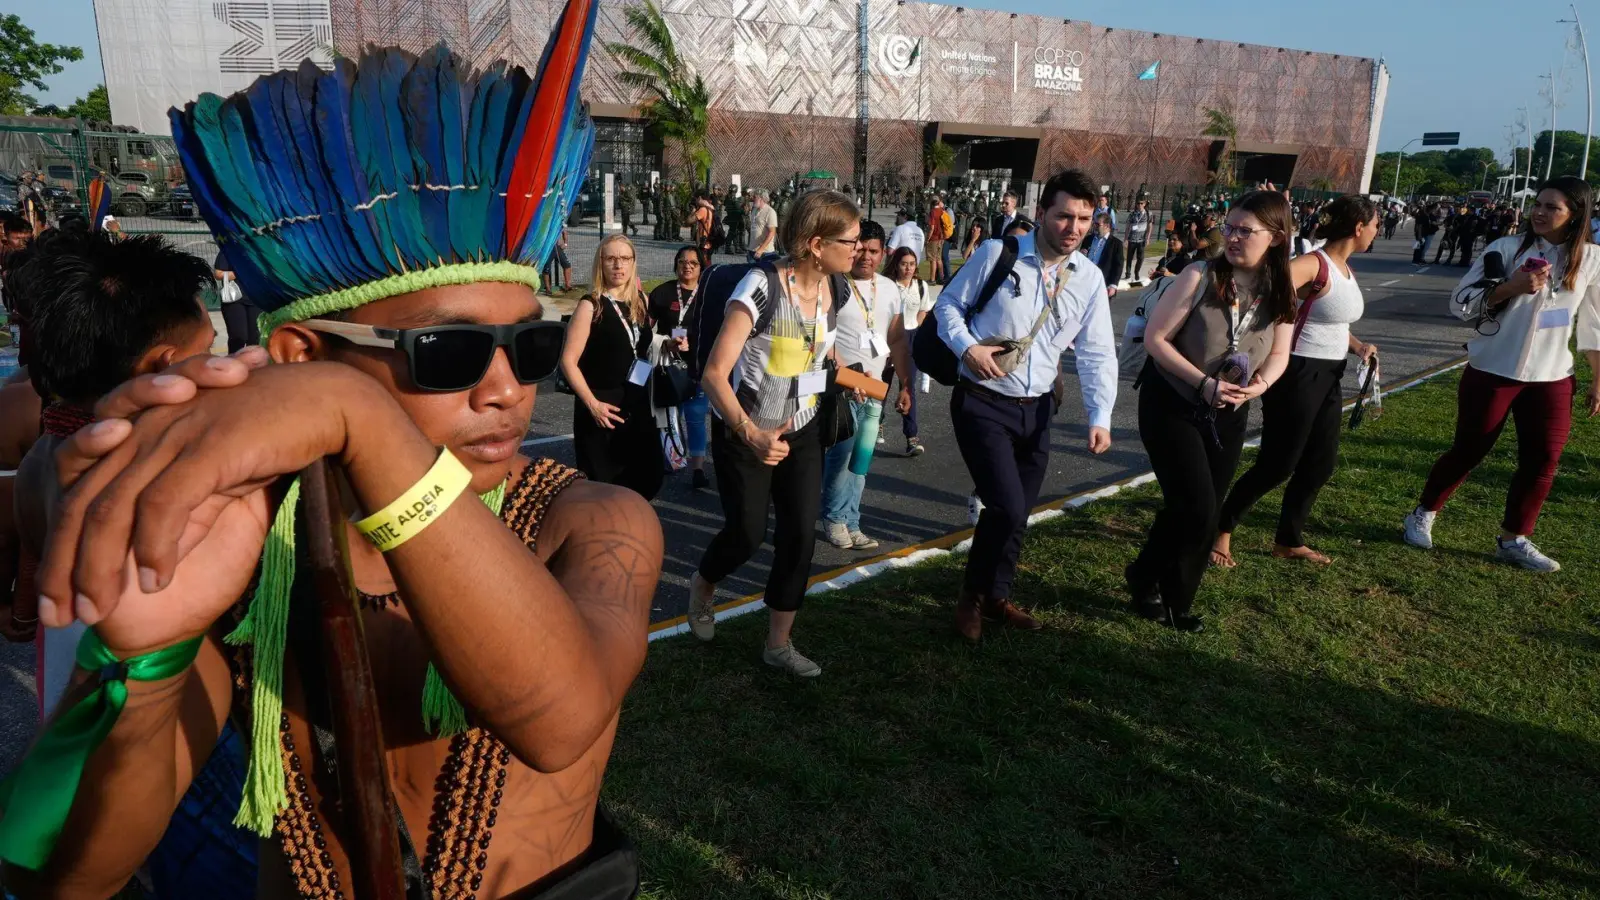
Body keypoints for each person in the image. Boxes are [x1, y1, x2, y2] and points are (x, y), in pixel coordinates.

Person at [0, 33, 662, 899]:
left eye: (530, 344)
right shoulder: (249, 555)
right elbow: (73, 878)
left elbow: (562, 718)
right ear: (303, 351)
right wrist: (151, 660)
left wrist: (355, 414)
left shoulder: (591, 519)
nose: (506, 389)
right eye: (449, 351)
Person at [933, 169, 1117, 643]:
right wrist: (968, 348)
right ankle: (972, 597)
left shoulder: (1089, 278)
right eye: (1063, 216)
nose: (1073, 227)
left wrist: (1100, 416)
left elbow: (1097, 350)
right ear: (1040, 214)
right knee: (1006, 505)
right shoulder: (1001, 254)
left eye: (1083, 217)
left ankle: (997, 596)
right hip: (982, 401)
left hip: (1037, 410)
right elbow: (948, 307)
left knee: (1020, 510)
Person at [685, 190, 858, 677]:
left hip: (801, 427)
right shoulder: (758, 289)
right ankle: (703, 583)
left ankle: (777, 644)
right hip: (746, 429)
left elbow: (814, 346)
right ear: (817, 244)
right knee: (747, 533)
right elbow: (715, 375)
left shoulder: (835, 288)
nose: (862, 247)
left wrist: (842, 368)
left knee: (801, 535)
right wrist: (749, 432)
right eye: (851, 239)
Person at [1403, 176, 1600, 571]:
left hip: (1552, 375)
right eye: (1538, 204)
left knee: (1544, 458)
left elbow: (1594, 323)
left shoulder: (1592, 259)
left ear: (1576, 214)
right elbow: (1460, 305)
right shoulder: (1505, 248)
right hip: (1493, 368)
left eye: (1552, 207)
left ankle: (1514, 538)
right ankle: (1423, 513)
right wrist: (1510, 287)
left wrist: (1598, 378)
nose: (1540, 213)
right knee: (1470, 448)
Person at [1126, 190, 1298, 633]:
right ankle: (1146, 578)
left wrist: (1259, 386)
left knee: (1197, 505)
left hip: (1229, 410)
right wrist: (1202, 382)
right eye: (1230, 227)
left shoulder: (1280, 289)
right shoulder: (1200, 274)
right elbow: (1156, 340)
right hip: (1173, 402)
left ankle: (1176, 600)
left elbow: (1280, 352)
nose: (1234, 237)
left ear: (1277, 238)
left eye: (1247, 230)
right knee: (1199, 508)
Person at [1211, 196, 1381, 568]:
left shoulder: (1344, 268)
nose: (1376, 231)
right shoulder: (1311, 264)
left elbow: (1329, 319)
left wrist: (1357, 345)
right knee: (1279, 462)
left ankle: (1288, 539)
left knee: (1321, 462)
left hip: (1329, 373)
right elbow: (1269, 295)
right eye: (1375, 224)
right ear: (1358, 228)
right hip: (1297, 372)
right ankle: (1221, 528)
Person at [821, 219, 912, 550]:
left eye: (873, 251)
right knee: (840, 456)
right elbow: (823, 337)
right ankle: (834, 518)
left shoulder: (889, 288)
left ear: (882, 252)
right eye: (860, 249)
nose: (865, 257)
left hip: (875, 388)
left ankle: (852, 521)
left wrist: (906, 384)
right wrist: (843, 373)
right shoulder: (833, 284)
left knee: (861, 459)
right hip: (843, 387)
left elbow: (897, 338)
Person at [561, 233, 667, 500]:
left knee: (646, 478)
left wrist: (667, 345)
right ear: (601, 263)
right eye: (611, 259)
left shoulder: (640, 300)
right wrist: (592, 404)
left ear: (633, 263)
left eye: (624, 258)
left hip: (637, 402)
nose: (618, 265)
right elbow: (568, 361)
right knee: (603, 489)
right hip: (602, 408)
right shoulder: (591, 305)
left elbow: (637, 344)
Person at [650, 245, 713, 489]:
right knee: (666, 417)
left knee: (695, 418)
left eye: (693, 263)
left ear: (701, 267)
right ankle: (671, 457)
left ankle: (698, 469)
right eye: (682, 262)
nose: (687, 266)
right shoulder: (662, 293)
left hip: (696, 368)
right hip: (666, 367)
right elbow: (646, 327)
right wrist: (665, 343)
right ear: (676, 264)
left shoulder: (708, 295)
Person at [885, 246, 932, 456]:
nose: (908, 268)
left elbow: (924, 309)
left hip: (911, 337)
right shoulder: (887, 286)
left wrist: (916, 328)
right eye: (904, 263)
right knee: (880, 386)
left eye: (912, 264)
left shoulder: (921, 285)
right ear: (896, 264)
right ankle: (877, 421)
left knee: (908, 387)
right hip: (888, 338)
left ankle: (912, 437)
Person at [214, 247, 263, 353]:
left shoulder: (260, 249)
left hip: (257, 299)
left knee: (255, 338)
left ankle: (254, 367)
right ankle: (233, 365)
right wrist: (242, 272)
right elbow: (218, 274)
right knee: (238, 338)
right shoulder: (229, 249)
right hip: (234, 299)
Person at [1086, 213, 1124, 296]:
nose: (1095, 226)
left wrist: (1113, 285)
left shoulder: (1116, 244)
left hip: (1103, 284)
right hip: (1086, 282)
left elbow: (1118, 266)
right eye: (1094, 224)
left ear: (1107, 226)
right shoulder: (1088, 239)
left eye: (1097, 224)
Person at [746, 188, 779, 262]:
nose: (753, 199)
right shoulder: (754, 209)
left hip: (765, 252)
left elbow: (772, 232)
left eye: (755, 197)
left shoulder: (770, 212)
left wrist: (761, 249)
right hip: (752, 250)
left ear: (761, 198)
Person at [927, 194, 954, 285]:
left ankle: (932, 279)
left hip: (934, 238)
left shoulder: (933, 212)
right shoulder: (942, 211)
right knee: (939, 259)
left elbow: (932, 227)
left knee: (933, 259)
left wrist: (927, 238)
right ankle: (942, 277)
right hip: (941, 238)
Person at [1125, 198, 1152, 282]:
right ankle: (1128, 274)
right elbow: (1128, 226)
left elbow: (1150, 226)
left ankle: (1136, 272)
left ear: (1144, 204)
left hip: (1141, 240)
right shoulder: (1132, 214)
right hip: (1132, 239)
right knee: (1129, 257)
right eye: (1138, 203)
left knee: (1140, 258)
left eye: (1141, 203)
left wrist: (1147, 238)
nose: (1139, 205)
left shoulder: (1148, 214)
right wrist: (1125, 239)